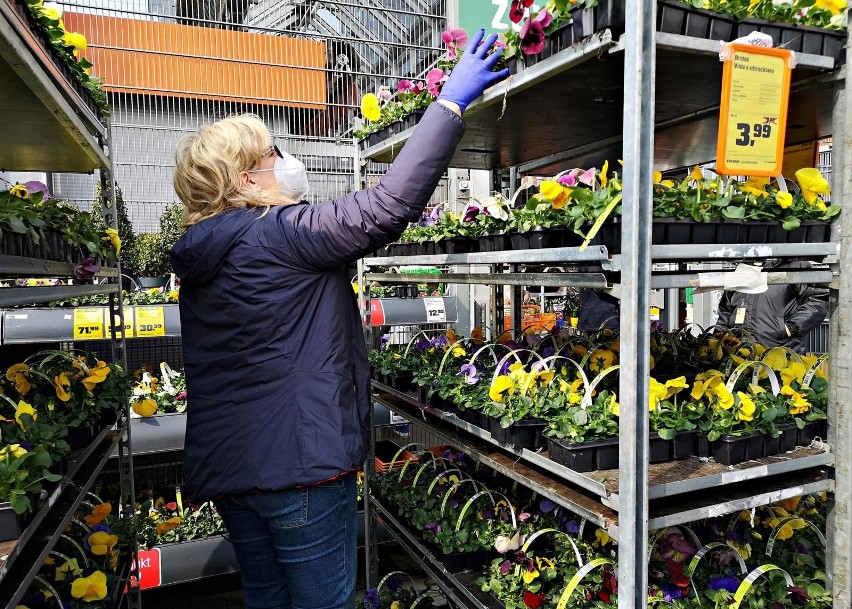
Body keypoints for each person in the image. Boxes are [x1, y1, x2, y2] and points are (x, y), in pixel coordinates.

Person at [169, 30, 508, 609]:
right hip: (297, 468)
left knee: (266, 597)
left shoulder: (201, 252)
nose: (286, 162)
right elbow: (385, 207)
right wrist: (448, 105)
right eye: (273, 154)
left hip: (232, 469)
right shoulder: (277, 234)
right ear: (247, 179)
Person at [716, 260, 828, 354]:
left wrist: (791, 327)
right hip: (740, 354)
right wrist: (718, 338)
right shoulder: (741, 271)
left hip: (781, 354)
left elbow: (818, 300)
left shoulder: (792, 266)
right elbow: (725, 311)